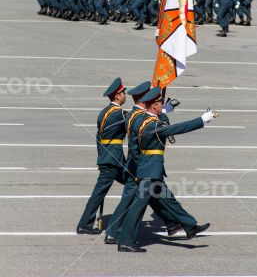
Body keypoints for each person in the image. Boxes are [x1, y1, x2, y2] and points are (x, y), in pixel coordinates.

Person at [118, 87, 215, 252]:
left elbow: (135, 149)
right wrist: (202, 120)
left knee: (168, 200)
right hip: (149, 170)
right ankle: (126, 241)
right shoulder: (150, 125)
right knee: (138, 207)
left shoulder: (141, 120)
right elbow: (177, 129)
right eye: (160, 104)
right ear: (154, 106)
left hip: (149, 169)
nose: (161, 106)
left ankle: (189, 226)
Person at [105, 81, 182, 244]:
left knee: (154, 194)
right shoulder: (139, 115)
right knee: (142, 196)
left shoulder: (135, 112)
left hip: (139, 164)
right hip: (140, 165)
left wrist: (162, 110)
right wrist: (164, 112)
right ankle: (115, 232)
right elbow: (158, 127)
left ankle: (172, 223)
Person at [77, 77, 127, 235]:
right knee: (137, 186)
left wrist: (101, 158)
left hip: (111, 159)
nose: (126, 94)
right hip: (113, 160)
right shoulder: (117, 113)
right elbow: (136, 120)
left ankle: (170, 220)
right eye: (123, 92)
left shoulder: (105, 112)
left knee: (138, 185)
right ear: (117, 96)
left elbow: (99, 138)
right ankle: (85, 225)